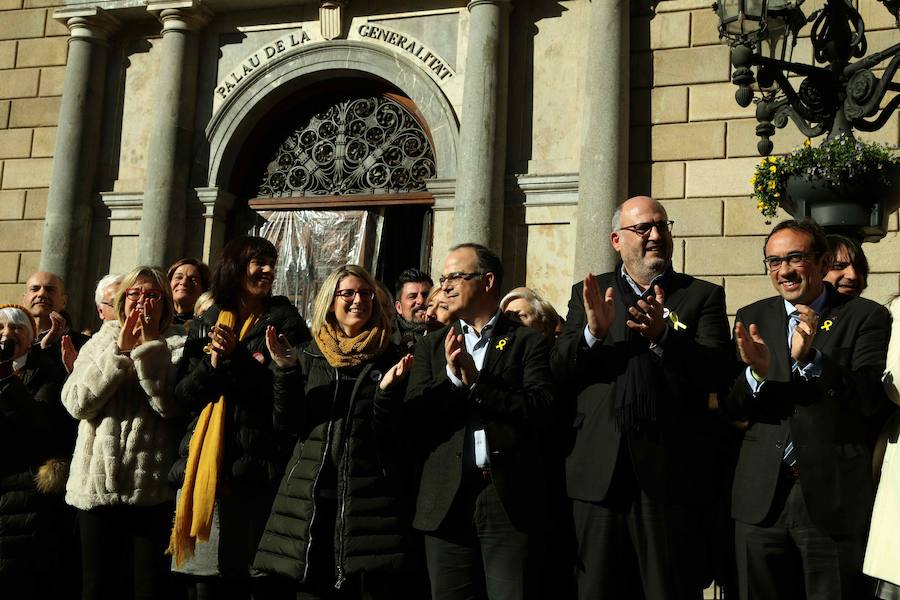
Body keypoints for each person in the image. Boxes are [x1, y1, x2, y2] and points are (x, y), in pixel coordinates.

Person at [551, 195, 732, 599]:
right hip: (598, 474)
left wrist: (665, 337)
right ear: (617, 240)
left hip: (669, 476)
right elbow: (560, 371)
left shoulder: (700, 296)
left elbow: (718, 371)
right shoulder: (592, 292)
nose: (655, 235)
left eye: (662, 226)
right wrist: (592, 334)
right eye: (643, 228)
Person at [725, 219, 892, 599]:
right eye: (773, 261)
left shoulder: (864, 316)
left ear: (820, 263)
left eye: (795, 258)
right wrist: (756, 376)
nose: (783, 270)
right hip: (760, 498)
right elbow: (732, 406)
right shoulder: (753, 316)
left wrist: (814, 359)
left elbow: (870, 398)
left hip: (829, 499)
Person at [254, 264, 419, 598]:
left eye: (366, 293)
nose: (359, 300)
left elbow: (398, 438)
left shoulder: (393, 357)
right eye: (349, 293)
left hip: (369, 504)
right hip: (311, 500)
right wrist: (285, 372)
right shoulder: (307, 355)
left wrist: (386, 394)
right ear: (331, 301)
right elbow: (287, 425)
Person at [404, 243, 555, 600]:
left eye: (456, 276)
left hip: (505, 498)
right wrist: (455, 381)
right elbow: (414, 418)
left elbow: (541, 409)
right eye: (443, 279)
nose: (446, 287)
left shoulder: (526, 342)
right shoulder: (431, 346)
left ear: (487, 281)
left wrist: (479, 383)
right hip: (445, 501)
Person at [168, 236, 310, 599]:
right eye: (258, 262)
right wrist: (212, 364)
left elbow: (287, 401)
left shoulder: (285, 323)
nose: (267, 270)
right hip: (204, 469)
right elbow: (181, 397)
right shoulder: (206, 322)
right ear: (234, 267)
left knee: (247, 580)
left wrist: (238, 358)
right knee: (205, 583)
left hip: (255, 470)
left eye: (270, 263)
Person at [62, 266, 186, 600]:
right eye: (135, 293)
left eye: (153, 295)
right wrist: (118, 352)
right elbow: (77, 404)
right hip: (95, 488)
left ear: (165, 303)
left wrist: (146, 351)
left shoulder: (179, 344)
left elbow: (169, 406)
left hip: (151, 491)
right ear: (122, 300)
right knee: (96, 587)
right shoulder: (98, 343)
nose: (142, 302)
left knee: (147, 587)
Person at [0, 304, 78, 598]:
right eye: (1, 328)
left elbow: (39, 425)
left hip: (21, 496)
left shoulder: (45, 372)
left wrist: (6, 378)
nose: (7, 334)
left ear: (31, 337)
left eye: (17, 327)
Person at [392, 268, 433, 352]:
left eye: (426, 295)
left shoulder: (446, 333)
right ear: (399, 307)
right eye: (412, 297)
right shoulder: (389, 339)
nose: (420, 301)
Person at [168, 258, 212, 325]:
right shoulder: (158, 322)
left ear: (204, 288)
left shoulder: (208, 323)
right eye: (178, 277)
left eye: (193, 280)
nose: (184, 282)